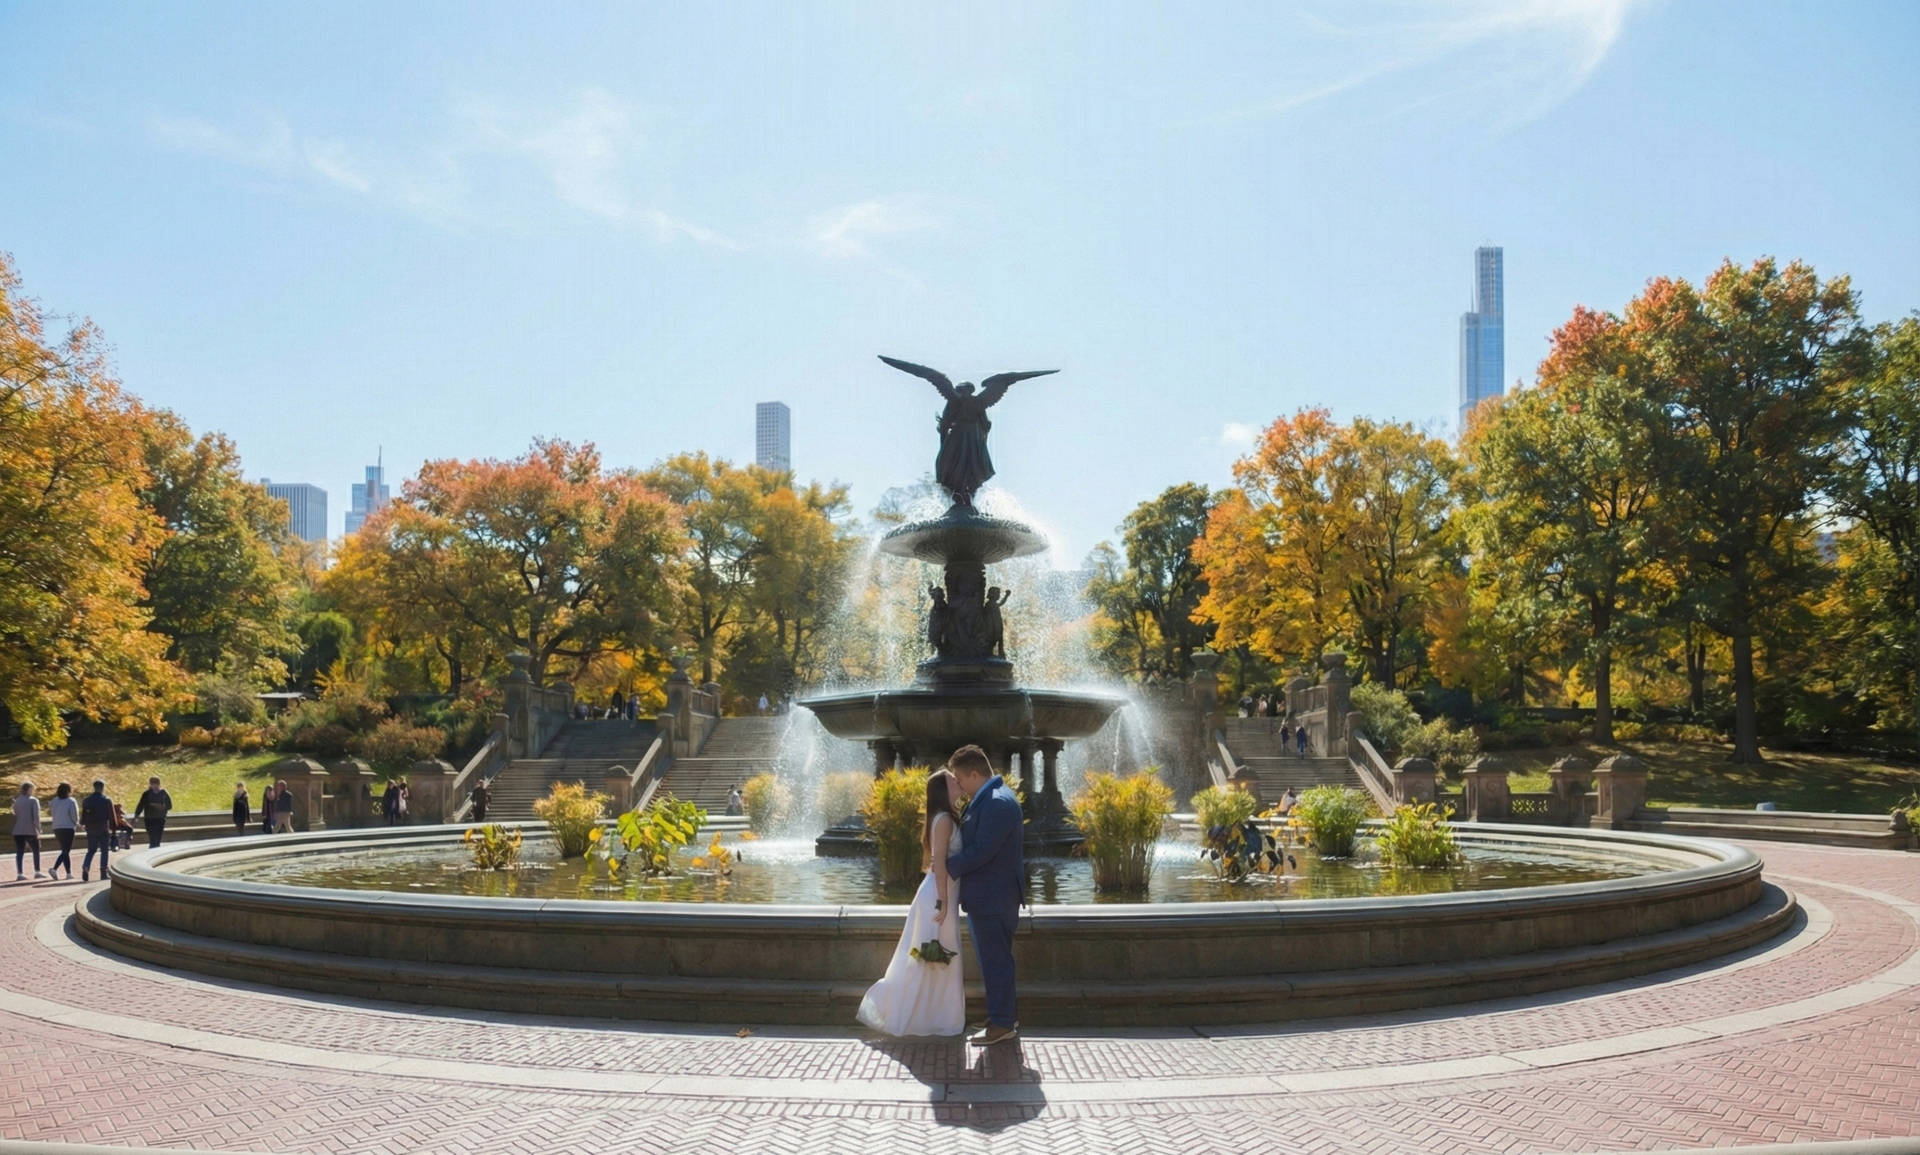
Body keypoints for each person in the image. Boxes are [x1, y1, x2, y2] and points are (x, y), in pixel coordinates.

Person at [857, 769, 966, 1036]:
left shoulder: (947, 817)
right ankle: (924, 1016)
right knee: (932, 957)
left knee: (939, 957)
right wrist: (942, 900)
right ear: (943, 789)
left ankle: (933, 1016)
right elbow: (938, 863)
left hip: (943, 895)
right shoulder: (943, 821)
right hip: (938, 897)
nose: (958, 780)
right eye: (953, 779)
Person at [942, 745, 1023, 1046]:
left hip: (994, 899)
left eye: (961, 779)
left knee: (996, 962)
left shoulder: (997, 802)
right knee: (993, 961)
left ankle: (1003, 1025)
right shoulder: (987, 799)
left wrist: (944, 868)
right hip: (989, 898)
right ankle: (1002, 1016)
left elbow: (981, 851)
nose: (959, 785)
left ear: (974, 774)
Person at [80, 781, 114, 882]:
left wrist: (83, 823)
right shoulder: (106, 800)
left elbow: (84, 815)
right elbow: (111, 816)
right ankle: (103, 872)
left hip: (90, 828)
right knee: (104, 851)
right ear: (102, 788)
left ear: (94, 787)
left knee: (91, 850)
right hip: (103, 828)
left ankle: (86, 866)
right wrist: (113, 828)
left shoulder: (86, 800)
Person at [13, 781, 44, 880]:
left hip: (18, 829)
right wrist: (38, 829)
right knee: (36, 850)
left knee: (20, 851)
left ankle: (20, 873)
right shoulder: (33, 801)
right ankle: (37, 871)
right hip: (30, 829)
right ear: (30, 789)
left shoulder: (17, 801)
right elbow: (36, 817)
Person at [49, 782, 78, 879]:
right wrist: (77, 823)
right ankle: (54, 868)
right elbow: (74, 816)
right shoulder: (71, 801)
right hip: (68, 827)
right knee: (66, 850)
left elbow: (52, 813)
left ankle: (69, 873)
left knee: (64, 850)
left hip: (56, 827)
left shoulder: (54, 801)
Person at [134, 776, 172, 848]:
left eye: (156, 784)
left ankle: (156, 849)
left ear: (159, 784)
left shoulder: (163, 793)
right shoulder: (147, 794)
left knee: (158, 837)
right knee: (152, 836)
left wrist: (159, 806)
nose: (154, 785)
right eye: (153, 784)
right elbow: (141, 805)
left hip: (160, 818)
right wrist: (136, 815)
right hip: (149, 818)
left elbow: (169, 806)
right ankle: (152, 848)